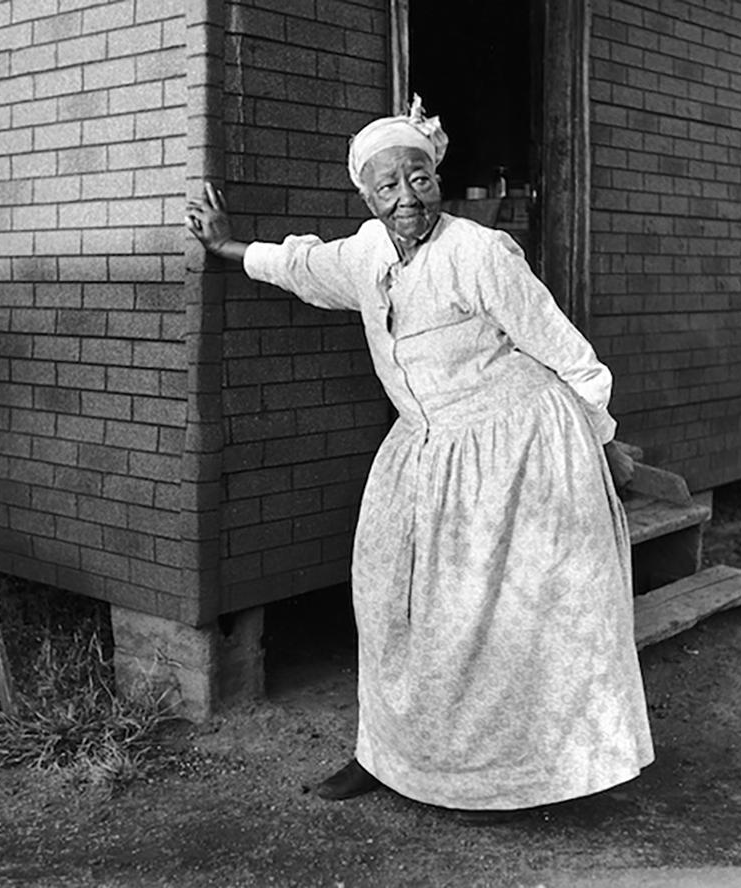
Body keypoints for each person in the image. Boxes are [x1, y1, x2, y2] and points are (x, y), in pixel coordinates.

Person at [185, 96, 654, 822]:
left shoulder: (480, 253)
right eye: (387, 186)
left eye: (419, 179)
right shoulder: (367, 254)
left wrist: (602, 440)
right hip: (426, 450)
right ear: (366, 196)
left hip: (517, 445)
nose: (407, 198)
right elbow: (302, 264)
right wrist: (227, 248)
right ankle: (388, 755)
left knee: (502, 618)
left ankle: (512, 775)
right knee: (386, 598)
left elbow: (568, 353)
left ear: (437, 177)